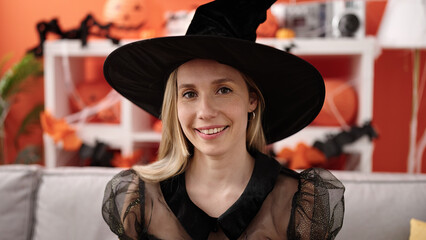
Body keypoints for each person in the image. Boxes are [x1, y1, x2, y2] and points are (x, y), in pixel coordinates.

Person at [102, 0, 345, 239]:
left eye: (223, 90)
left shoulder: (298, 201)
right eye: (189, 94)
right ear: (174, 105)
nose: (205, 111)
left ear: (252, 99)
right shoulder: (142, 198)